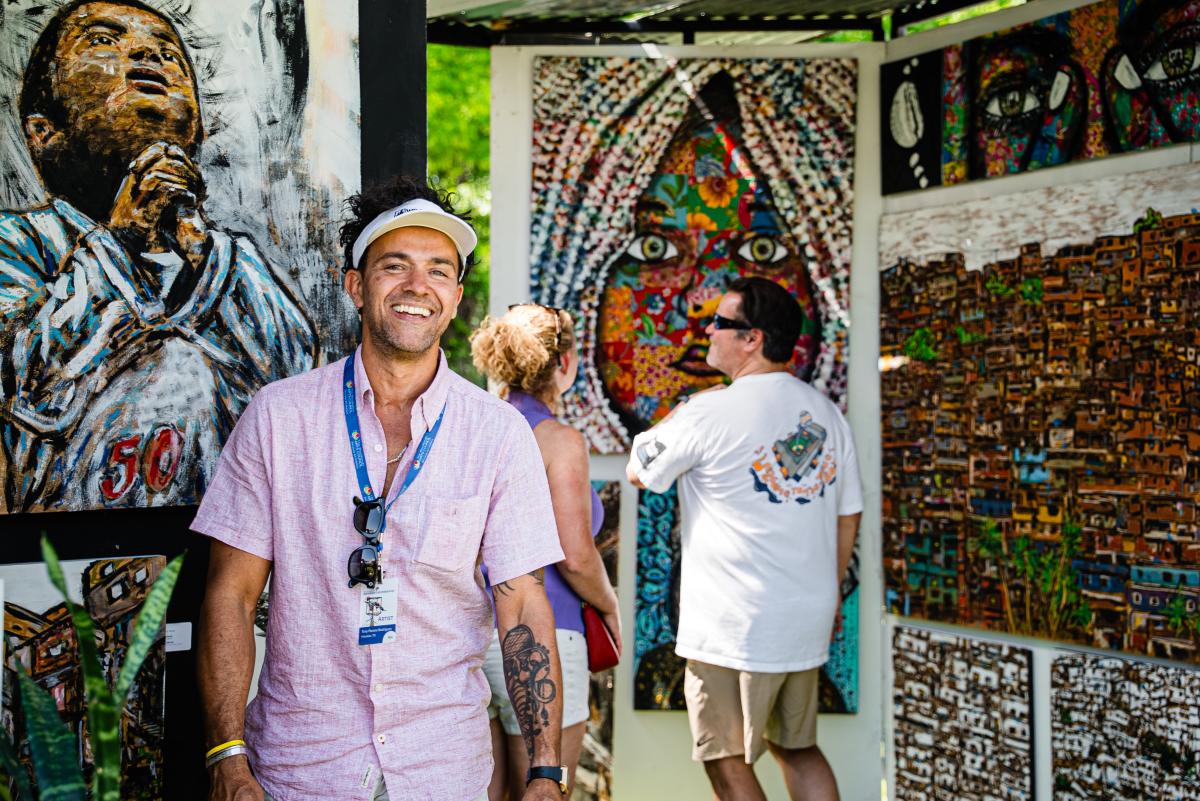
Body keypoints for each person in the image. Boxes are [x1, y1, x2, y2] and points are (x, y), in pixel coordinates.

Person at [194, 177, 569, 801]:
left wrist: (546, 770)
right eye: (395, 265)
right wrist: (226, 759)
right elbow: (230, 594)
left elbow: (524, 605)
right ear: (355, 286)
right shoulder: (278, 417)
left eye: (438, 270)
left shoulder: (498, 434)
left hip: (441, 771)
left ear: (455, 299)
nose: (417, 285)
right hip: (300, 768)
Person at [0, 0, 317, 513]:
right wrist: (121, 240)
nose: (148, 55)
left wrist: (198, 247)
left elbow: (293, 378)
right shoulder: (17, 242)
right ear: (43, 132)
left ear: (196, 133)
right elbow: (28, 384)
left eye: (169, 54)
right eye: (104, 41)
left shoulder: (229, 262)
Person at [625, 277, 863, 801]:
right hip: (804, 615)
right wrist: (828, 593)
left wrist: (685, 408)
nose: (708, 330)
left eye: (720, 322)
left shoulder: (709, 411)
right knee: (797, 747)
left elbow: (639, 470)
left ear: (752, 338)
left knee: (724, 757)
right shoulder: (825, 413)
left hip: (733, 621)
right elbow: (849, 516)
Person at [470, 304, 622, 800]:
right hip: (543, 639)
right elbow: (574, 555)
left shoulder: (474, 428)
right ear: (565, 362)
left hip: (472, 636)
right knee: (543, 791)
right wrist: (609, 604)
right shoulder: (559, 441)